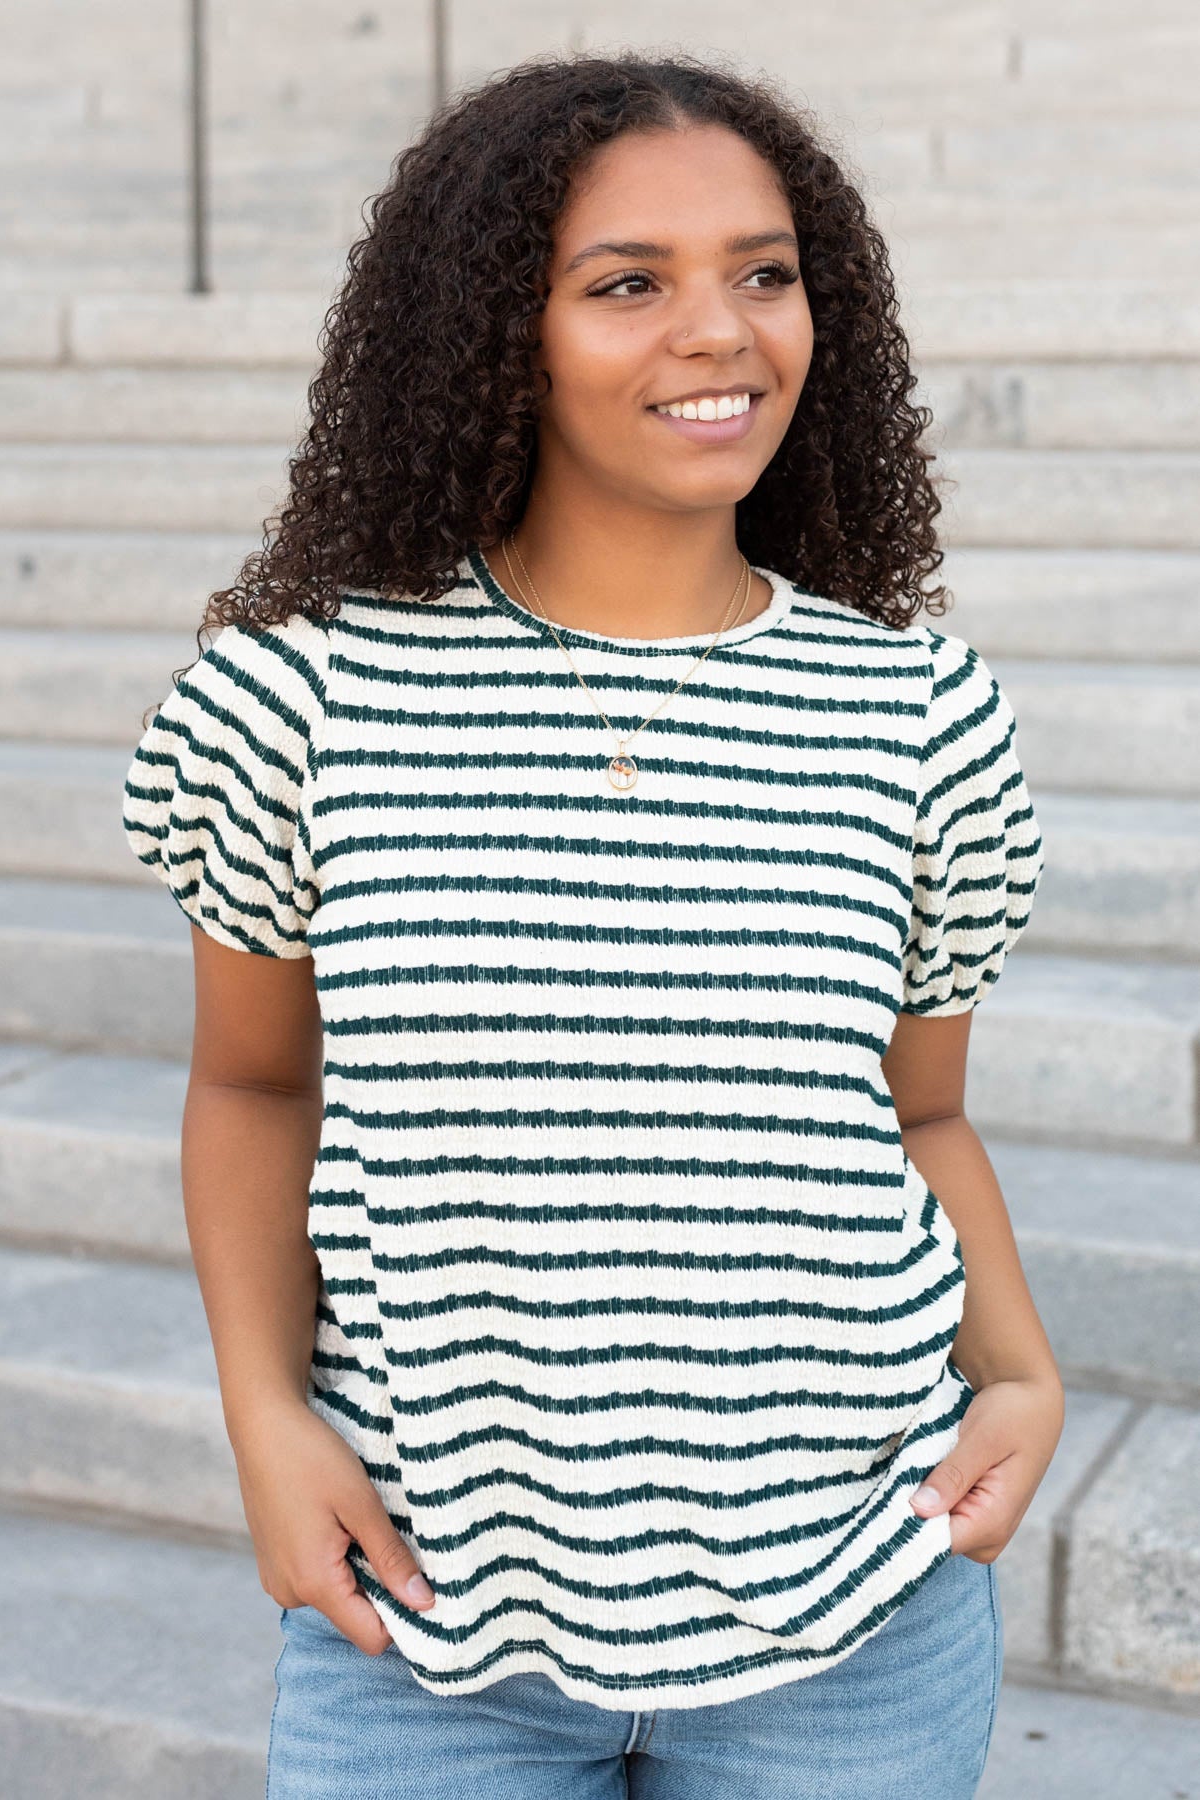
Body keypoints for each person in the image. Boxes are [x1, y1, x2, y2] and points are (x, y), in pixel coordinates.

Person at [121, 49, 1065, 1800]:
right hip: (420, 1629)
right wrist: (267, 1421)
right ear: (491, 336)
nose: (720, 331)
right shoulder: (300, 699)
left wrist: (1017, 1375)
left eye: (763, 273)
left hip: (857, 1616)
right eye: (627, 283)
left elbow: (919, 1112)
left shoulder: (919, 713)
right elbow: (254, 1090)